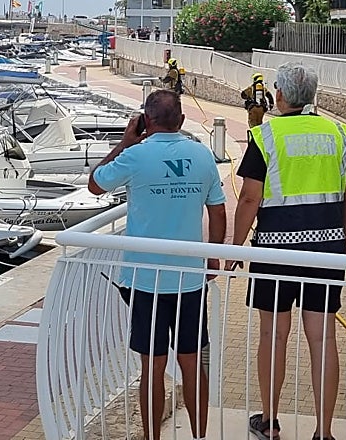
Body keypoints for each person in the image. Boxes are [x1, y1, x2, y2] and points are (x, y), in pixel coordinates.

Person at [232, 63, 346, 440]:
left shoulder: (265, 135)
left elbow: (250, 198)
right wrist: (340, 238)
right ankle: (324, 431)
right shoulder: (338, 133)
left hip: (274, 250)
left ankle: (269, 422)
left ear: (280, 95)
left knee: (273, 335)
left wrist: (235, 247)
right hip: (326, 251)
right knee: (323, 339)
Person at [89, 90, 227, 440]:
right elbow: (218, 209)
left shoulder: (135, 156)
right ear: (181, 121)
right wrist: (212, 256)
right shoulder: (202, 154)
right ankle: (199, 436)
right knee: (193, 365)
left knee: (152, 368)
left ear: (145, 121)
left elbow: (94, 185)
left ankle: (153, 437)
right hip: (190, 280)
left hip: (144, 280)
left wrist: (124, 142)